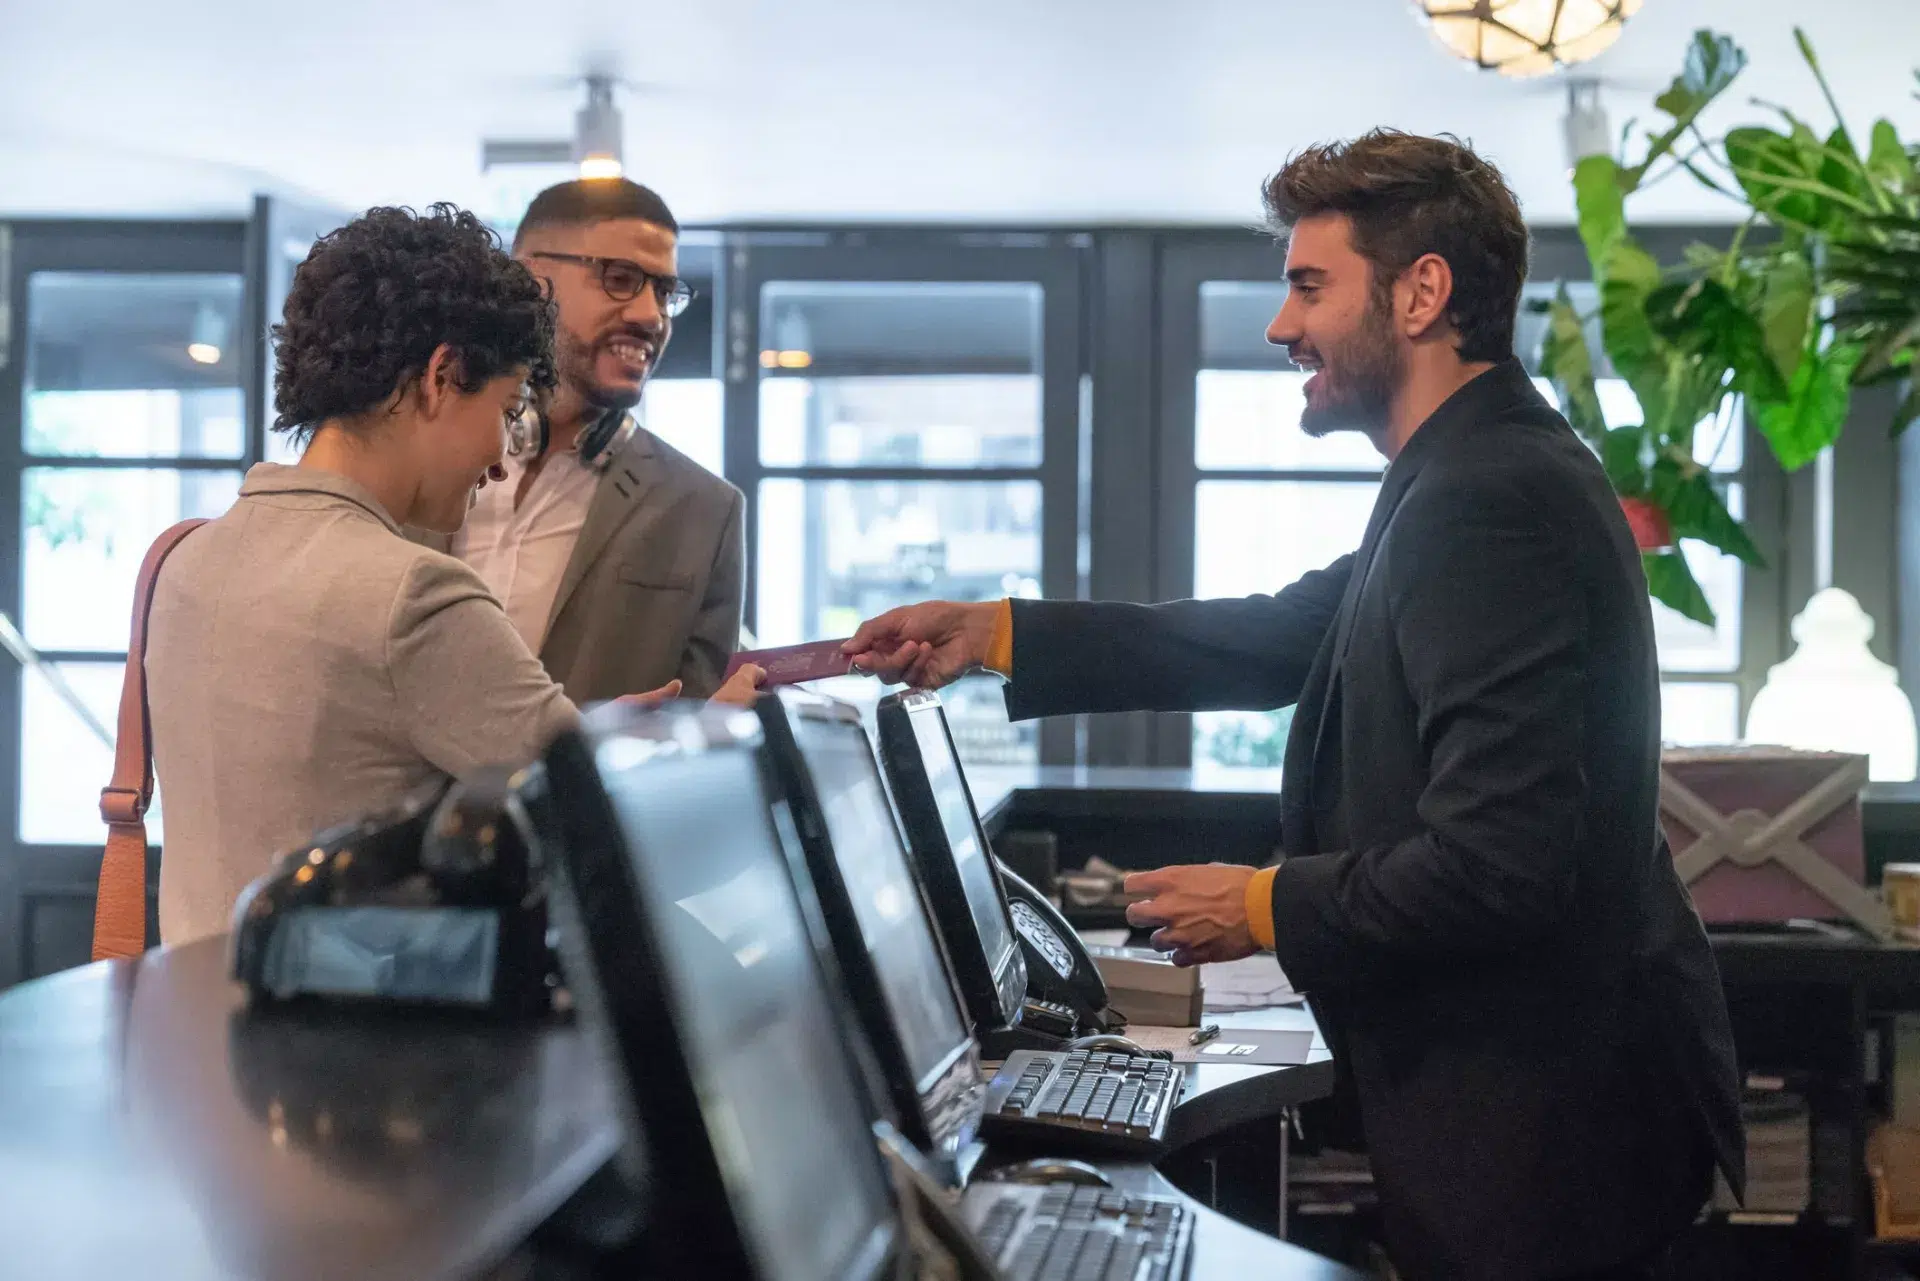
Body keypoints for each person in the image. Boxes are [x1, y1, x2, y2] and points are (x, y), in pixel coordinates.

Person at [845, 131, 1743, 1281]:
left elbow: (1505, 858)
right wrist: (999, 633)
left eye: (1310, 287)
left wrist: (1266, 905)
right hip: (1532, 1095)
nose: (1281, 327)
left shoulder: (1490, 494)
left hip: (1549, 1113)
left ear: (1423, 293)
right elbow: (1280, 632)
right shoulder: (1457, 472)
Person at [146, 204, 761, 946]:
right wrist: (718, 734)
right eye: (506, 408)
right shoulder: (415, 594)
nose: (503, 454)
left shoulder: (185, 563)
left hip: (188, 1023)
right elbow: (601, 821)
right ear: (442, 377)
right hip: (353, 1037)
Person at [424, 178, 744, 699]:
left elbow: (691, 736)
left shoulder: (705, 512)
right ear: (530, 278)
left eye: (664, 292)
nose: (650, 316)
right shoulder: (417, 454)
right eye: (619, 279)